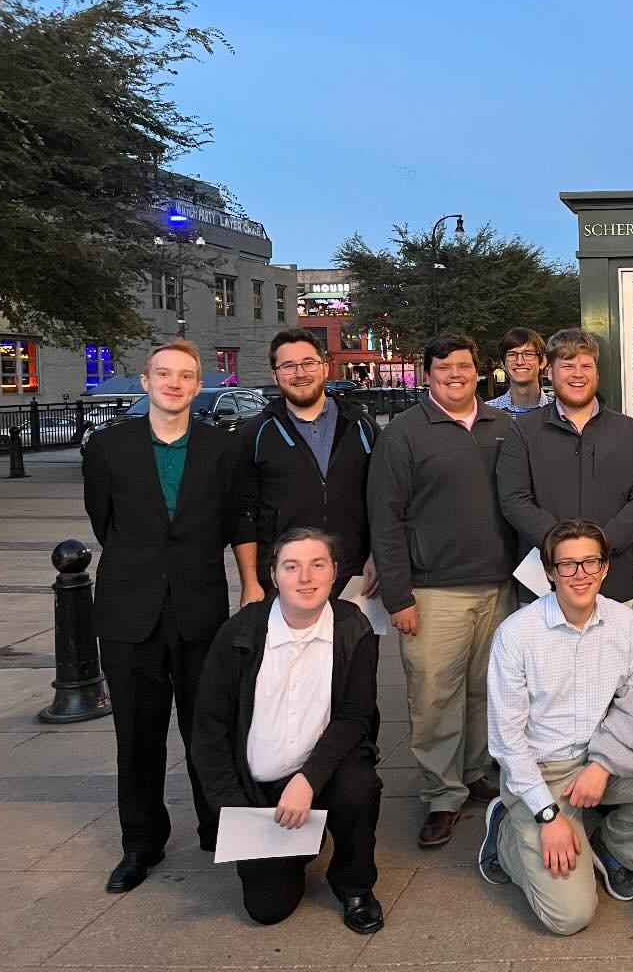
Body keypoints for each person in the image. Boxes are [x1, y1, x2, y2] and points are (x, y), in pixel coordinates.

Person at [479, 519, 633, 935]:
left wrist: (602, 764)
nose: (580, 574)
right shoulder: (517, 635)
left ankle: (612, 848)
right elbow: (506, 742)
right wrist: (547, 815)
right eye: (567, 565)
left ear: (605, 568)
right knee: (570, 917)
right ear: (548, 572)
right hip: (542, 772)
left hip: (602, 759)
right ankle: (509, 831)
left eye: (590, 562)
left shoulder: (624, 623)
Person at [82, 339, 243, 892]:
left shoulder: (222, 449)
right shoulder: (108, 447)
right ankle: (141, 841)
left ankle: (217, 827)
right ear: (146, 381)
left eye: (187, 375)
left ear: (199, 386)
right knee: (137, 733)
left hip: (199, 608)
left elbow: (231, 522)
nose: (175, 383)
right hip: (130, 611)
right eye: (164, 374)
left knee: (207, 726)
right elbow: (105, 522)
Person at [191, 528, 384, 933]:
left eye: (318, 565)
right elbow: (209, 734)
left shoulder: (352, 628)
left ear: (334, 573)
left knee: (359, 786)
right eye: (291, 567)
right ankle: (299, 845)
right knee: (267, 909)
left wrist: (308, 780)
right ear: (273, 575)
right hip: (257, 787)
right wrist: (237, 809)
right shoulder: (238, 635)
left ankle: (354, 885)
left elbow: (354, 716)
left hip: (323, 770)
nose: (305, 578)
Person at [367, 332, 517, 848]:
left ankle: (475, 772)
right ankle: (441, 794)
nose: (455, 374)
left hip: (499, 587)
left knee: (484, 691)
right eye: (443, 367)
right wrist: (398, 597)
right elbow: (384, 518)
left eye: (464, 365)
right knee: (434, 697)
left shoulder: (504, 426)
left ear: (479, 371)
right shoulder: (404, 434)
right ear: (427, 373)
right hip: (432, 592)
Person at [497, 329, 633, 606]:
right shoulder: (524, 432)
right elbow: (513, 499)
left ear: (596, 373)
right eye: (567, 365)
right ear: (549, 371)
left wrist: (599, 546)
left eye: (586, 365)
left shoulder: (630, 432)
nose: (578, 374)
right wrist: (562, 549)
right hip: (543, 583)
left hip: (613, 581)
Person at [234, 328, 380, 604]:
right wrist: (250, 582)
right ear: (274, 374)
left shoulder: (362, 426)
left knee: (353, 647)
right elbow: (244, 514)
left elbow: (384, 503)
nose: (300, 373)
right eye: (288, 366)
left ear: (325, 367)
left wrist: (378, 556)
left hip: (355, 576)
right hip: (284, 579)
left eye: (308, 363)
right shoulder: (255, 434)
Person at [487, 327, 554, 415]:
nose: (519, 362)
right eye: (512, 354)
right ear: (503, 363)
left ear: (543, 361)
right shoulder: (486, 414)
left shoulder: (560, 412)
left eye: (528, 354)